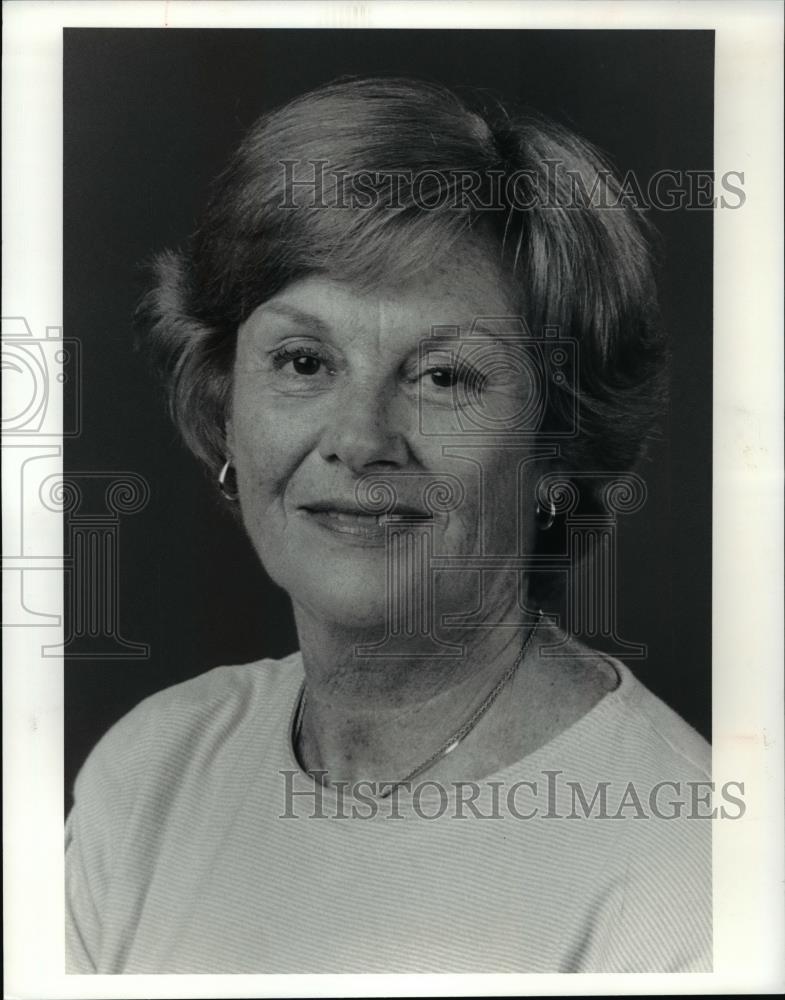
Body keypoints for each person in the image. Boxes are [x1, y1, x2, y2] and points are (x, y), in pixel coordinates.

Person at [65, 77, 711, 974]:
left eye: (444, 377)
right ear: (223, 402)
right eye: (302, 360)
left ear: (558, 452)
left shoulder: (684, 872)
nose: (360, 439)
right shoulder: (151, 772)